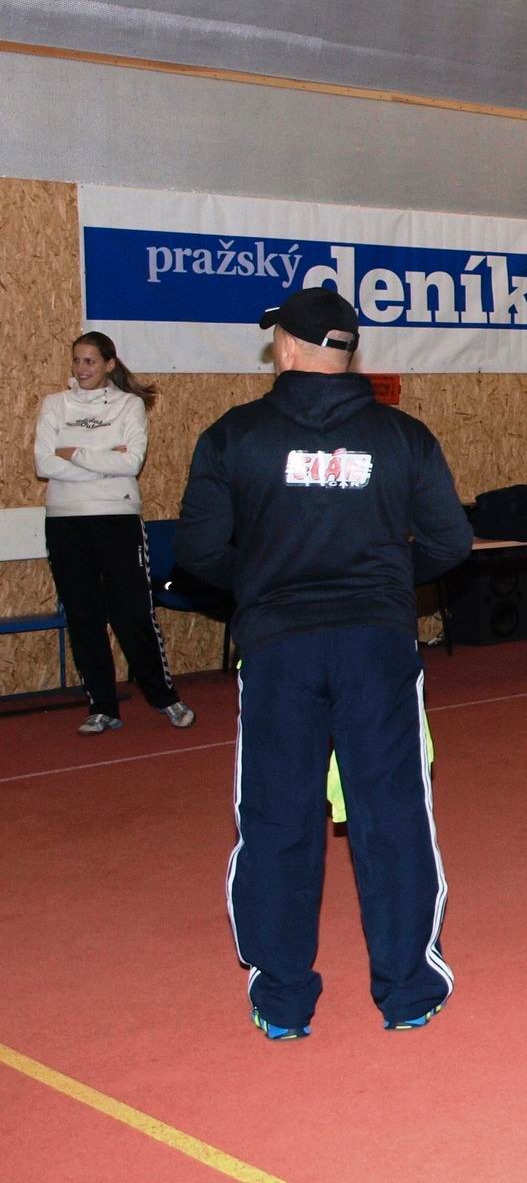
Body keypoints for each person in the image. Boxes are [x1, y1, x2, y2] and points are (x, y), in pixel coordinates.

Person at [175, 287, 473, 1040]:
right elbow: (451, 543)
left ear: (285, 345)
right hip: (377, 647)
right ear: (347, 351)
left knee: (277, 818)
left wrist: (265, 582)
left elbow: (199, 552)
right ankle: (408, 993)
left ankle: (282, 1002)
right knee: (393, 812)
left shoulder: (234, 436)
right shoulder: (403, 436)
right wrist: (386, 582)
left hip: (279, 649)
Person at [33, 332, 195, 735]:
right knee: (83, 615)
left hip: (117, 518)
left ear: (108, 364)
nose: (81, 369)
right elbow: (43, 464)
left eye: (90, 361)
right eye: (76, 361)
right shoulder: (55, 405)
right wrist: (106, 460)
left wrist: (72, 453)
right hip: (65, 521)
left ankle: (166, 699)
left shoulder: (129, 405)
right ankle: (102, 707)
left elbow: (131, 463)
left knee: (132, 613)